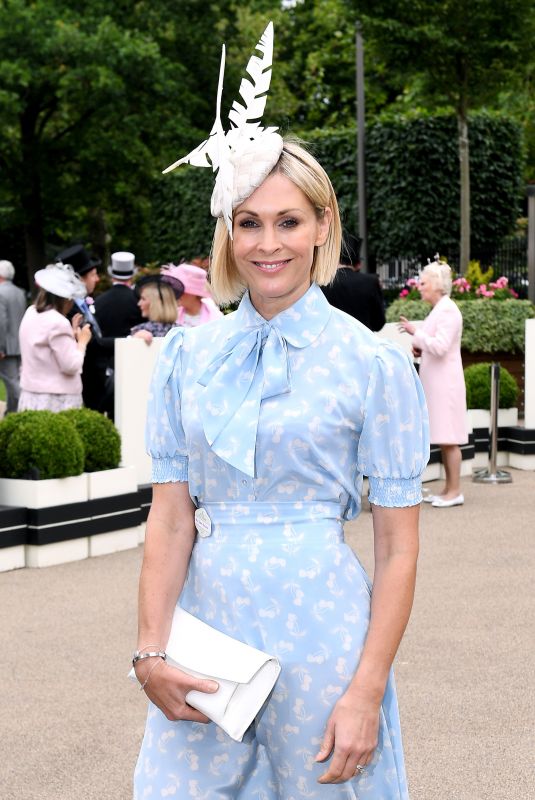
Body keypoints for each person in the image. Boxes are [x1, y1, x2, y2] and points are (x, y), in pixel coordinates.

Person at [133, 23, 429, 800]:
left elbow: (397, 550)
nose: (268, 244)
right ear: (227, 231)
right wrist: (148, 650)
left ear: (323, 225)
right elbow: (169, 519)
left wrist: (365, 691)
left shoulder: (373, 363)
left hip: (324, 632)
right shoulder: (186, 359)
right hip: (207, 627)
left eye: (288, 221)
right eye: (250, 222)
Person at [399, 260, 467, 507]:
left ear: (437, 285)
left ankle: (455, 491)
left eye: (424, 282)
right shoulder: (440, 309)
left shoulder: (448, 310)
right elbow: (434, 345)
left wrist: (414, 332)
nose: (420, 286)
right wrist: (420, 349)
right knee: (444, 437)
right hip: (438, 382)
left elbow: (439, 346)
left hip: (445, 385)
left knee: (449, 438)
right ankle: (449, 489)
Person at [18, 263, 92, 412]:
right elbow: (71, 365)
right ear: (64, 299)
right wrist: (82, 342)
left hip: (31, 395)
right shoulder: (58, 322)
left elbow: (44, 348)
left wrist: (70, 334)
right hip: (55, 399)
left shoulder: (31, 312)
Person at [85, 251, 143, 418]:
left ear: (112, 275)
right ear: (132, 275)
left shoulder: (99, 301)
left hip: (105, 365)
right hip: (135, 361)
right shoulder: (139, 301)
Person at [321, 232, 386, 331]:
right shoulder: (371, 281)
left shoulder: (322, 283)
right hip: (363, 343)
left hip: (331, 343)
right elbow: (378, 323)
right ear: (358, 264)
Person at [55, 244, 103, 336]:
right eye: (93, 275)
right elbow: (93, 343)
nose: (97, 279)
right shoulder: (70, 308)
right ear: (80, 279)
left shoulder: (82, 303)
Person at [0, 259, 26, 413]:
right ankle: (11, 412)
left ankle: (26, 409)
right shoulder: (20, 292)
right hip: (19, 343)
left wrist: (0, 346)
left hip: (6, 346)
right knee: (15, 380)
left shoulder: (1, 292)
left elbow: (1, 323)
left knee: (12, 382)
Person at [161, 262, 223, 327]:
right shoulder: (171, 316)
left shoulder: (215, 317)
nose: (175, 294)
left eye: (180, 290)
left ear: (194, 293)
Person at [130, 275, 183, 344]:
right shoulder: (181, 332)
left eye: (143, 299)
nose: (139, 303)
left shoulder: (141, 330)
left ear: (155, 303)